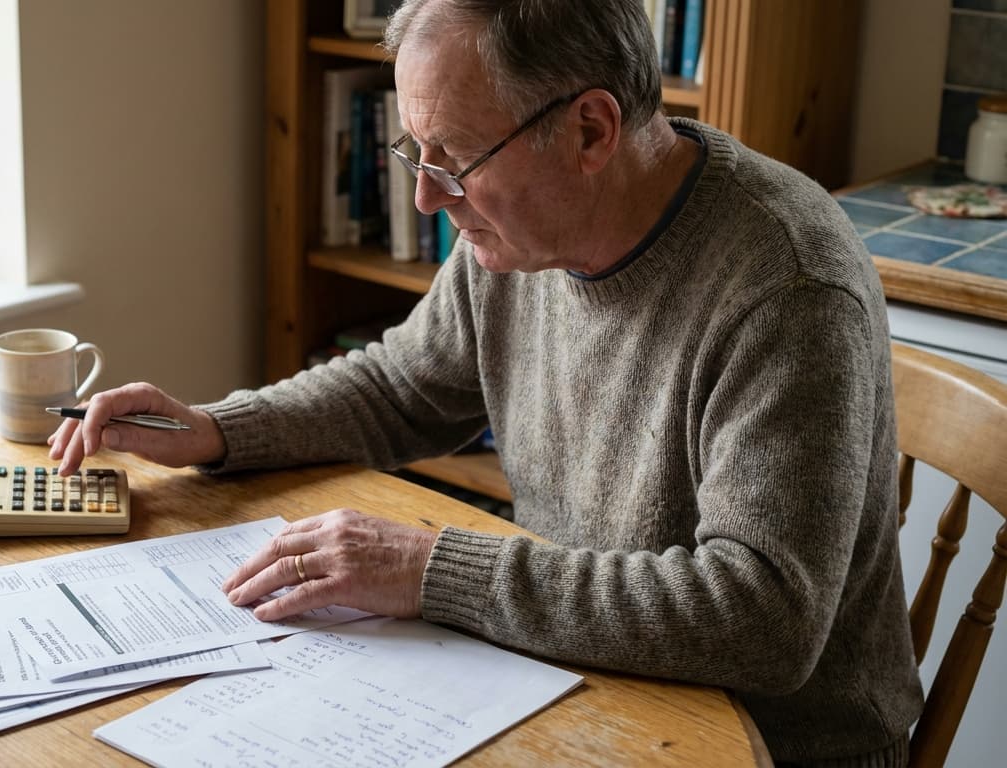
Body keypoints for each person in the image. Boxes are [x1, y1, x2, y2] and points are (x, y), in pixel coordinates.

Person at [49, 0, 923, 764]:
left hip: (767, 743)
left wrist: (437, 570)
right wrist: (220, 430)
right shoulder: (518, 232)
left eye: (454, 158)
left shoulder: (787, 285)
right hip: (578, 681)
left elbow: (763, 618)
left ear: (591, 129)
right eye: (413, 151)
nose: (428, 197)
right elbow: (403, 387)